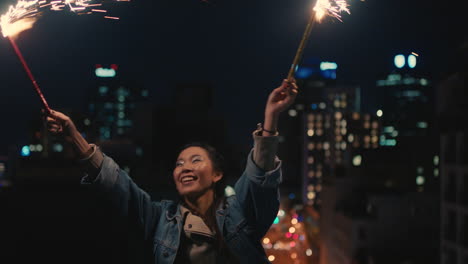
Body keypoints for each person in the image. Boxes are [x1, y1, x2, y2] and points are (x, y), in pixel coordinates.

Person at [44, 79, 298, 263]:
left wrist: (271, 118)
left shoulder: (239, 212)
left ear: (217, 174)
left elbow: (259, 178)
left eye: (196, 160)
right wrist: (75, 137)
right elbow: (118, 185)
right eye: (179, 164)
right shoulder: (159, 218)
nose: (185, 168)